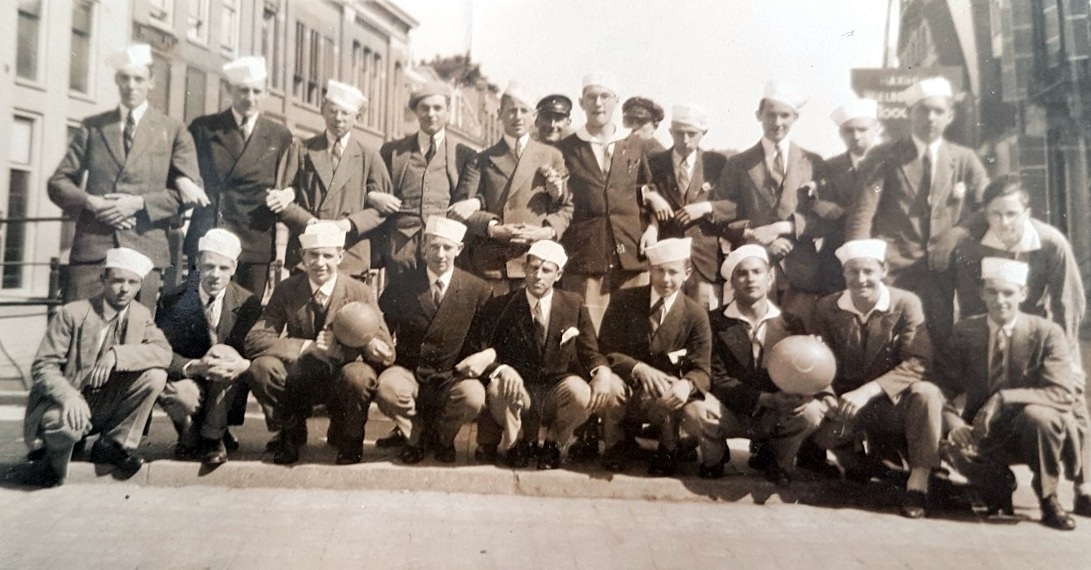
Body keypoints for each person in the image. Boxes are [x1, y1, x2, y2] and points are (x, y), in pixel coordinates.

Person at [950, 175, 1090, 516]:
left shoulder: (1050, 242)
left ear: (1027, 211)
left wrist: (1065, 353)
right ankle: (993, 475)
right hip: (997, 326)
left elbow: (1066, 302)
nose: (1004, 223)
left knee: (1070, 394)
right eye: (995, 214)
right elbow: (971, 303)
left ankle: (1083, 482)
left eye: (1012, 214)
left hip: (1047, 332)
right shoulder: (972, 247)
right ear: (985, 213)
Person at [47, 43, 204, 310]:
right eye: (125, 78)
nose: (131, 86)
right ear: (117, 81)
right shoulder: (94, 128)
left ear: (151, 82)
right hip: (94, 250)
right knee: (78, 330)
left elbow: (191, 193)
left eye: (139, 79)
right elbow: (58, 182)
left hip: (143, 249)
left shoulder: (173, 130)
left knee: (133, 340)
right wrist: (91, 202)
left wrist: (138, 203)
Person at [937, 257, 1080, 531]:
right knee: (951, 445)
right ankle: (998, 484)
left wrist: (1004, 398)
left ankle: (1048, 498)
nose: (1000, 300)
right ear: (982, 293)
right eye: (992, 291)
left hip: (1031, 431)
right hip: (984, 429)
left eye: (1009, 293)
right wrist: (954, 423)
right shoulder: (966, 331)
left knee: (1040, 416)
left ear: (1023, 294)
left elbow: (1062, 394)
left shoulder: (1046, 333)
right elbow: (943, 385)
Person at [845, 76, 988, 345]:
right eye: (924, 110)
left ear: (950, 115)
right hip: (894, 266)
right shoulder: (884, 156)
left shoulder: (964, 159)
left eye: (939, 111)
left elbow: (987, 207)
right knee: (890, 336)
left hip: (943, 268)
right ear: (910, 113)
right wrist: (860, 264)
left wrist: (957, 232)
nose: (931, 118)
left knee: (938, 335)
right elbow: (864, 210)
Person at [809, 239, 944, 518]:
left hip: (890, 402)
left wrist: (870, 390)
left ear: (883, 270)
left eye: (869, 271)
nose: (861, 280)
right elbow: (819, 360)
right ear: (843, 274)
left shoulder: (906, 303)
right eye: (852, 272)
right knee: (819, 425)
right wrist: (828, 396)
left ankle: (917, 484)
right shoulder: (827, 307)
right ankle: (858, 463)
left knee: (927, 394)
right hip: (846, 406)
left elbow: (918, 361)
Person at [243, 222, 395, 465]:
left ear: (340, 256)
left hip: (344, 374)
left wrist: (362, 341)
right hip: (303, 375)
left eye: (328, 255)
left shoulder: (360, 291)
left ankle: (349, 436)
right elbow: (255, 339)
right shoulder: (287, 289)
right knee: (263, 367)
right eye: (313, 255)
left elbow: (387, 353)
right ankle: (290, 430)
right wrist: (307, 347)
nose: (320, 263)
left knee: (359, 376)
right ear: (303, 256)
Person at [22, 248, 170, 487]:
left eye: (132, 282)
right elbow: (44, 366)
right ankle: (52, 457)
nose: (125, 289)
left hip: (105, 401)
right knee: (63, 432)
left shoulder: (140, 315)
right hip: (68, 401)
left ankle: (113, 444)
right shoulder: (73, 313)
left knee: (155, 376)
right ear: (103, 280)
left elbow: (163, 353)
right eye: (117, 280)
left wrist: (117, 355)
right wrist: (69, 397)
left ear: (140, 284)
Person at [682, 245, 822, 485]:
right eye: (742, 274)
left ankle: (778, 460)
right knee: (694, 410)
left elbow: (798, 373)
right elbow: (716, 377)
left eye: (757, 272)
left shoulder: (790, 323)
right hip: (730, 410)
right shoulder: (714, 321)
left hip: (773, 414)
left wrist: (812, 362)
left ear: (770, 278)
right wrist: (763, 399)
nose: (750, 279)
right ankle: (715, 455)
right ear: (732, 283)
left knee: (811, 412)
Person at [465, 240, 612, 469]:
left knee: (581, 393)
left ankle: (553, 443)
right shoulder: (502, 305)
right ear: (524, 269)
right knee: (498, 387)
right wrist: (503, 370)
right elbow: (483, 350)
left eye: (546, 270)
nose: (538, 276)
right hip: (519, 389)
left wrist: (602, 372)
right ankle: (516, 443)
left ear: (558, 273)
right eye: (533, 268)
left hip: (555, 388)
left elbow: (589, 350)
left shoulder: (573, 304)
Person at [374, 217, 492, 464]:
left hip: (451, 375)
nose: (440, 254)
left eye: (447, 248)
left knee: (473, 396)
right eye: (434, 246)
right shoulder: (402, 283)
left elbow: (487, 338)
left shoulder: (477, 289)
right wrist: (379, 347)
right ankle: (414, 437)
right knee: (388, 389)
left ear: (458, 250)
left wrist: (482, 358)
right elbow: (382, 326)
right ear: (424, 248)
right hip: (410, 371)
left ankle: (443, 439)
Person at [715, 81, 828, 327]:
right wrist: (754, 236)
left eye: (785, 115)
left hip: (800, 271)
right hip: (754, 270)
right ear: (759, 115)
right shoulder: (738, 163)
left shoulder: (812, 162)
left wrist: (784, 229)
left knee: (798, 340)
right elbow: (722, 213)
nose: (778, 122)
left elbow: (824, 219)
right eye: (771, 115)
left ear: (795, 117)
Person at [598, 238, 712, 475]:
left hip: (662, 394)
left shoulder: (695, 314)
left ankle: (668, 448)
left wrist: (687, 384)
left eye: (673, 272)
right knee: (607, 384)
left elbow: (702, 368)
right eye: (659, 270)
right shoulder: (624, 301)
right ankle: (616, 445)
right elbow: (605, 350)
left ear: (687, 272)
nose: (665, 279)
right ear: (649, 268)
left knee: (673, 389)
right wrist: (638, 367)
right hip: (626, 383)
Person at [184, 56, 294, 299]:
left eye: (257, 91)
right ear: (228, 89)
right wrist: (184, 181)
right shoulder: (203, 128)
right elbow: (182, 168)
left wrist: (289, 192)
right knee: (199, 312)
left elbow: (292, 180)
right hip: (212, 230)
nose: (250, 98)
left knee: (245, 312)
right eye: (243, 90)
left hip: (255, 237)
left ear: (266, 92)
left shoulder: (279, 135)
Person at [454, 81, 573, 293]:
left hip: (534, 262)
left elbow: (566, 207)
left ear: (534, 116)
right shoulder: (481, 159)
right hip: (491, 264)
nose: (517, 117)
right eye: (511, 111)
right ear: (499, 114)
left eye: (523, 110)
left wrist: (545, 232)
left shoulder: (551, 156)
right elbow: (462, 209)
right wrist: (493, 228)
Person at [556, 73, 654, 330]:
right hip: (586, 252)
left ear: (616, 102)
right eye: (591, 97)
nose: (598, 103)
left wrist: (652, 228)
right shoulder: (567, 148)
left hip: (631, 253)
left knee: (632, 332)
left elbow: (650, 191)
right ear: (582, 102)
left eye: (605, 96)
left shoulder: (636, 145)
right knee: (587, 331)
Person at [155, 229, 262, 466]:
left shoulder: (248, 303)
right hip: (190, 379)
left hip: (227, 383)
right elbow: (160, 351)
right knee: (178, 394)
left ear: (234, 268)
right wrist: (194, 367)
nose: (215, 275)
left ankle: (214, 437)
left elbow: (253, 350)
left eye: (223, 268)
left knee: (224, 353)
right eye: (208, 267)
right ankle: (190, 434)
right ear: (197, 264)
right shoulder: (174, 300)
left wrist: (235, 364)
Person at [271, 80, 393, 280]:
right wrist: (309, 221)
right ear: (322, 109)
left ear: (357, 117)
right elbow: (281, 199)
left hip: (350, 254)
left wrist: (348, 224)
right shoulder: (301, 149)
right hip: (308, 251)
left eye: (345, 113)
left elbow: (383, 209)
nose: (338, 118)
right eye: (333, 111)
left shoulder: (368, 156)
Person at [377, 81, 475, 278]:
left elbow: (469, 196)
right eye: (424, 108)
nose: (431, 114)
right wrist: (374, 196)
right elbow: (376, 186)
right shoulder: (393, 151)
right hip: (401, 247)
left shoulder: (464, 155)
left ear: (448, 110)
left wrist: (475, 201)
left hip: (442, 248)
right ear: (416, 111)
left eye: (437, 108)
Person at [644, 103, 731, 310]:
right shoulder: (654, 162)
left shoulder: (717, 163)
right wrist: (651, 207)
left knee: (705, 322)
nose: (684, 140)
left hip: (704, 261)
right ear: (670, 132)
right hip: (666, 261)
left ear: (704, 133)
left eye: (691, 133)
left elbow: (733, 204)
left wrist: (707, 207)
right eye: (679, 133)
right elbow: (640, 193)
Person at [807, 98, 881, 296]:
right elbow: (814, 198)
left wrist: (843, 210)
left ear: (877, 128)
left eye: (863, 129)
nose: (856, 136)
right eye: (849, 130)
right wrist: (817, 205)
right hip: (837, 255)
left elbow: (881, 201)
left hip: (880, 251)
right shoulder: (830, 167)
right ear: (841, 133)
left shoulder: (888, 165)